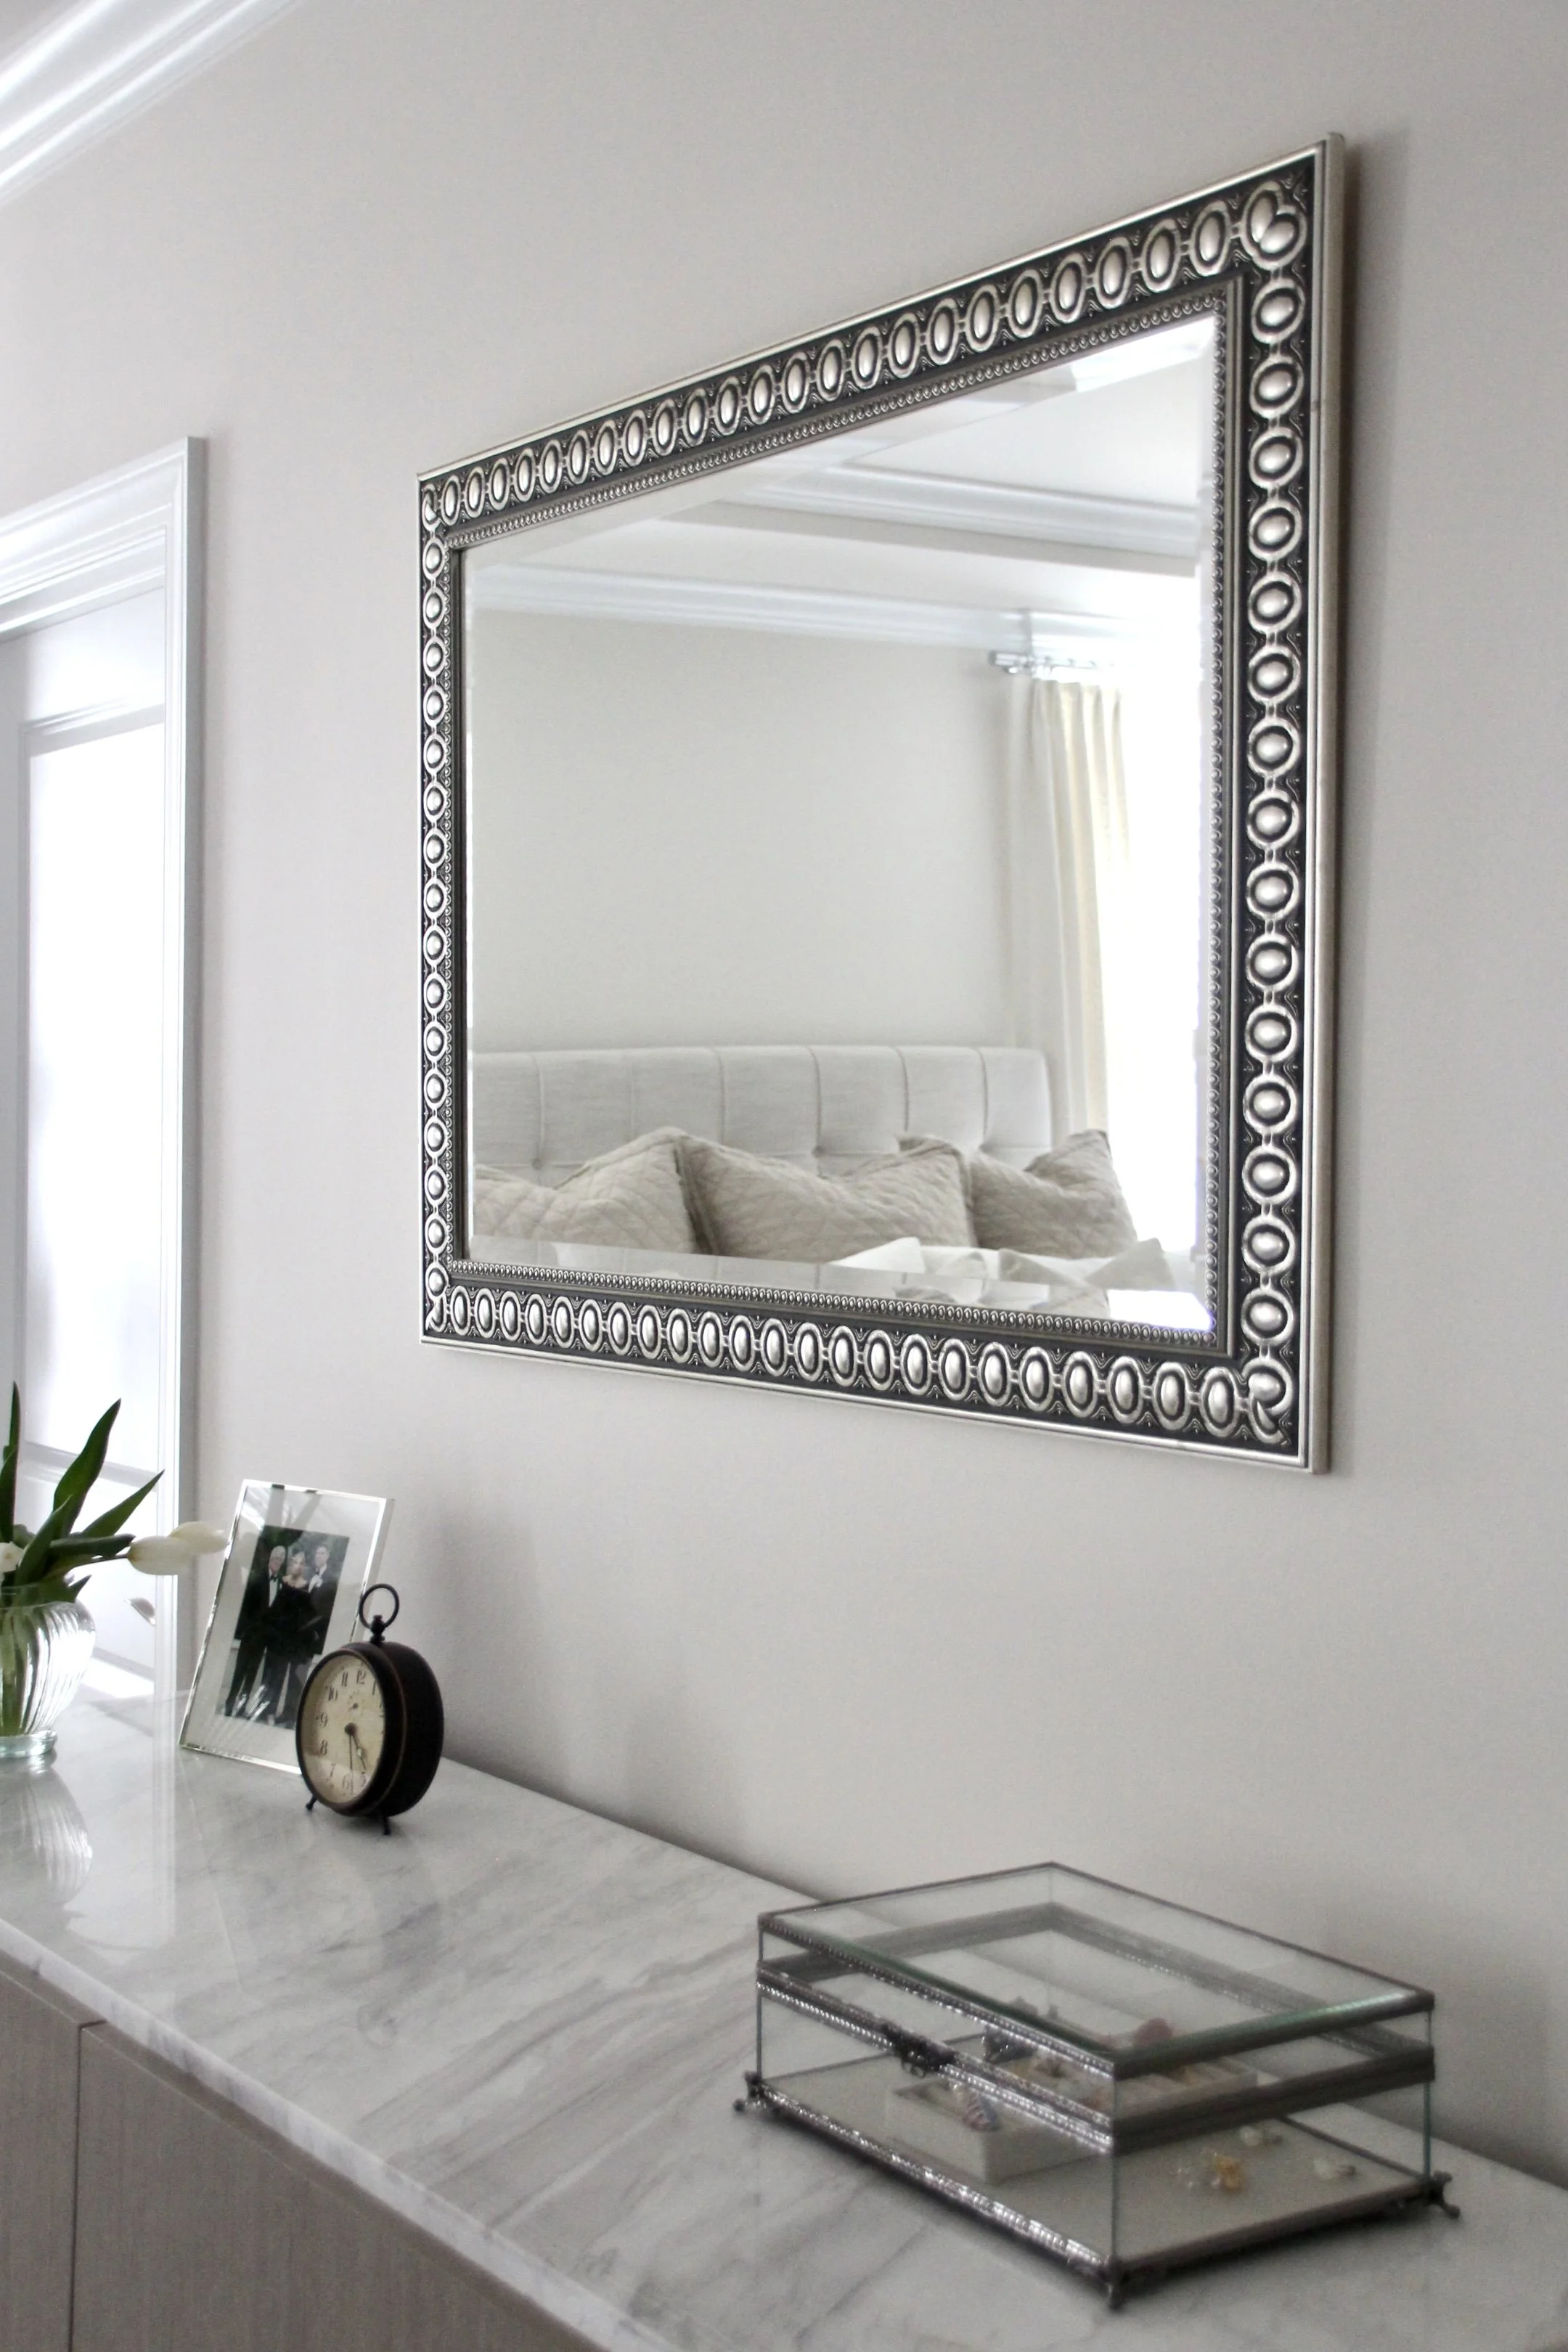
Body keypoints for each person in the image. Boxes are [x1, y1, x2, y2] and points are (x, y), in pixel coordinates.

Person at [221, 1540, 290, 1718]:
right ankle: (230, 1704)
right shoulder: (256, 1578)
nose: (278, 1560)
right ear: (270, 1557)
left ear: (283, 1561)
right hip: (250, 1635)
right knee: (239, 1672)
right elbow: (245, 1608)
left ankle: (242, 1707)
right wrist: (244, 1630)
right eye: (276, 1556)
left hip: (264, 1639)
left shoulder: (282, 1584)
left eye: (281, 1558)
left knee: (252, 1675)